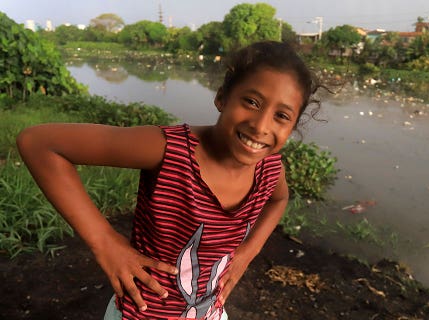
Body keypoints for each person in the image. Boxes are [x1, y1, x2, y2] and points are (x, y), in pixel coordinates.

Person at [16, 41, 322, 319]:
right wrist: (103, 241)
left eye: (281, 116)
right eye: (252, 102)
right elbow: (39, 143)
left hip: (209, 312)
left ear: (293, 126)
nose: (260, 126)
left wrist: (247, 252)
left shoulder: (269, 169)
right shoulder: (168, 149)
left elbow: (279, 200)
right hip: (142, 313)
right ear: (222, 97)